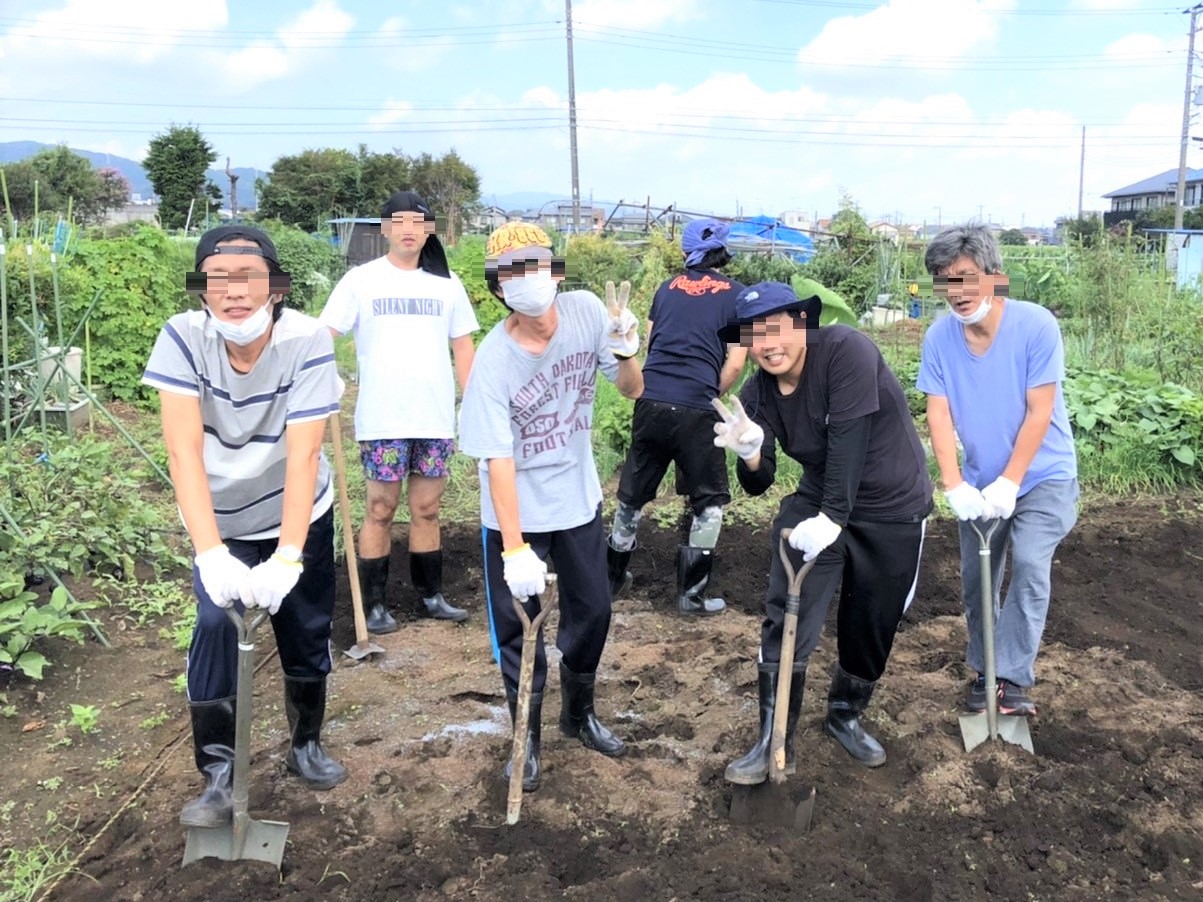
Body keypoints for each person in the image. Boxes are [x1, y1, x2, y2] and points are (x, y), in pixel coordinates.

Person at [143, 225, 347, 828]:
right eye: (217, 278)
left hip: (295, 509)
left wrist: (287, 555)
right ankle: (218, 773)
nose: (233, 292)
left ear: (275, 287)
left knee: (305, 624)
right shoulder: (182, 338)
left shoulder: (307, 340)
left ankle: (305, 744)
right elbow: (183, 452)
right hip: (221, 516)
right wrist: (210, 553)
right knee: (214, 623)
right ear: (202, 287)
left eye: (249, 277)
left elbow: (304, 453)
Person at [713, 281, 931, 778]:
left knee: (872, 619)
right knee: (787, 609)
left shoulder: (846, 351)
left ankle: (844, 714)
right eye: (753, 336)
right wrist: (750, 452)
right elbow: (758, 483)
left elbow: (849, 443)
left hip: (891, 502)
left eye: (776, 329)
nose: (768, 345)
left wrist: (833, 519)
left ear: (802, 324)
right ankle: (772, 738)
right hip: (819, 498)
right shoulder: (758, 394)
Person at [458, 222, 644, 792]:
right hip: (514, 513)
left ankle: (578, 714)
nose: (528, 279)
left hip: (577, 502)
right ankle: (528, 737)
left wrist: (627, 350)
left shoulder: (588, 312)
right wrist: (515, 549)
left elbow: (631, 388)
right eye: (512, 271)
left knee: (595, 612)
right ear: (498, 288)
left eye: (537, 264)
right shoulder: (493, 360)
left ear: (555, 271)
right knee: (520, 632)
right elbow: (497, 460)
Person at [917, 224, 1078, 717]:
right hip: (980, 478)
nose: (957, 291)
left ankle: (1011, 678)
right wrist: (954, 484)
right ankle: (987, 672)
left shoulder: (1036, 326)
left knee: (1029, 565)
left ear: (993, 275)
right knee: (978, 579)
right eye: (945, 279)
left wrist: (1011, 481)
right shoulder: (939, 338)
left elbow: (1039, 411)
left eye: (966, 276)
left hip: (1044, 476)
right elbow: (938, 414)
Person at [319, 190, 479, 631]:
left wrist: (474, 403)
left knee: (427, 508)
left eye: (418, 223)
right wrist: (319, 377)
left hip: (434, 416)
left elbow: (463, 347)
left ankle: (431, 595)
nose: (409, 230)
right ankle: (373, 604)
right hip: (383, 417)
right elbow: (324, 333)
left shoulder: (447, 284)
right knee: (380, 508)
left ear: (429, 231)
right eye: (400, 222)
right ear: (386, 229)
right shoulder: (361, 280)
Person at [606, 219, 747, 616]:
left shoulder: (666, 288)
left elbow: (653, 344)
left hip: (650, 401)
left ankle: (611, 581)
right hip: (698, 407)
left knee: (632, 495)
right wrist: (708, 395)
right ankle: (692, 596)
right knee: (709, 501)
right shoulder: (739, 295)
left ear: (686, 252)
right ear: (723, 252)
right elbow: (736, 364)